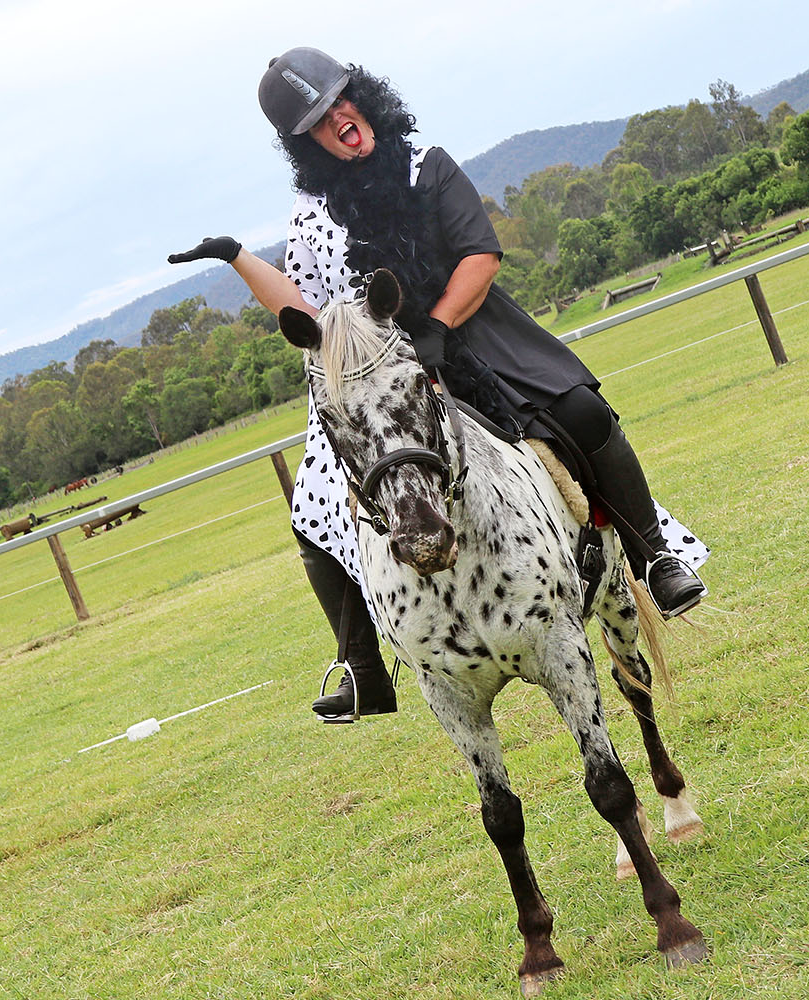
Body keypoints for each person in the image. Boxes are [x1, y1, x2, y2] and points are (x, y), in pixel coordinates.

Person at [167, 47, 708, 723]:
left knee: (583, 412)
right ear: (306, 142)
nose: (340, 119)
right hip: (379, 372)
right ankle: (364, 668)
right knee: (313, 504)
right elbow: (305, 308)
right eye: (320, 119)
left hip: (472, 334)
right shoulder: (311, 216)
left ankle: (657, 560)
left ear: (363, 97)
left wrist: (437, 332)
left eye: (343, 100)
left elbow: (480, 258)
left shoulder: (429, 168)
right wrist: (239, 258)